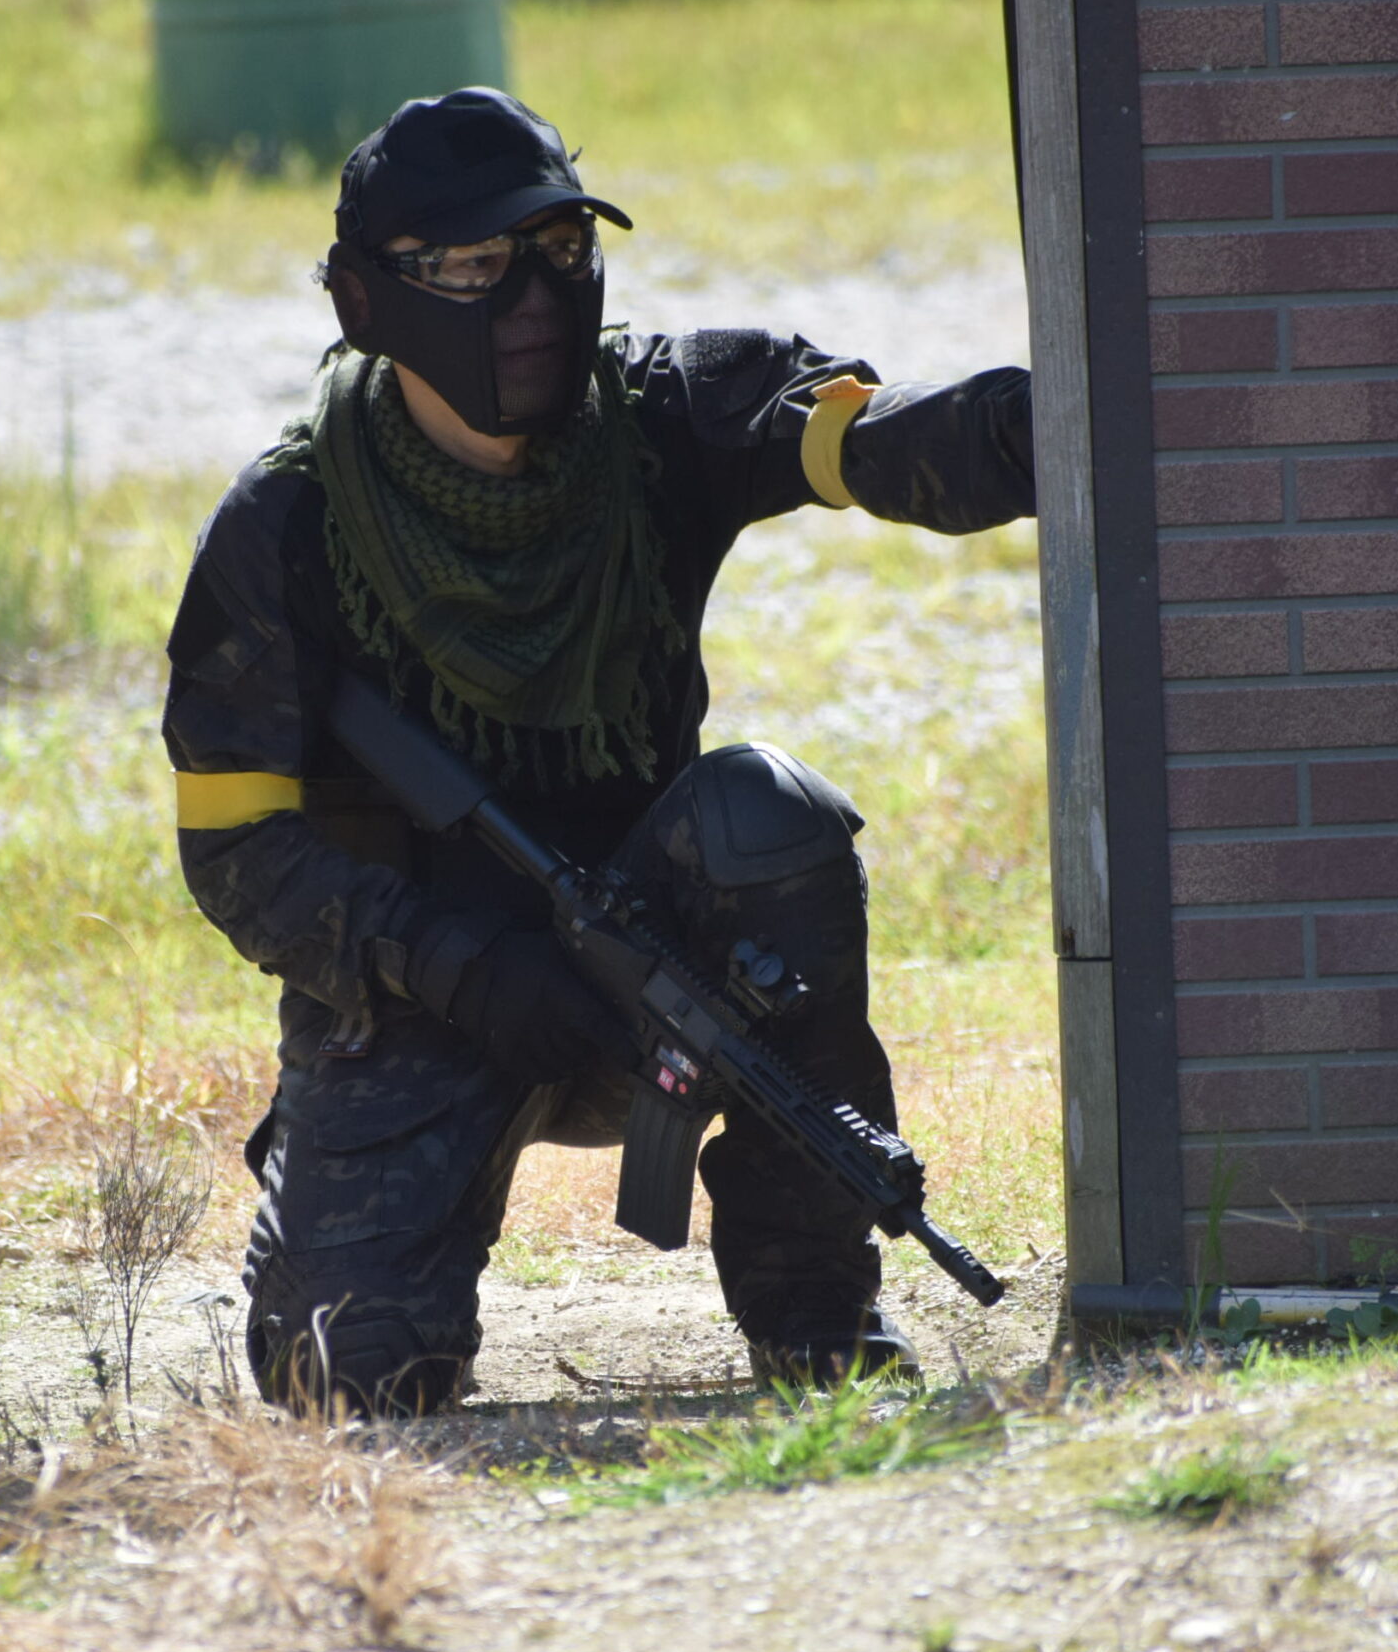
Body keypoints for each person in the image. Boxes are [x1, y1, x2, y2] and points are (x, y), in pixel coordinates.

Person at [163, 87, 1035, 1417]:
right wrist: (456, 961)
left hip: (654, 960)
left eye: (562, 249)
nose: (531, 295)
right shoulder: (286, 527)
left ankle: (816, 1316)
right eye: (474, 264)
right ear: (364, 299)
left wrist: (1060, 423)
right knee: (349, 1379)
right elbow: (238, 852)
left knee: (768, 820)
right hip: (421, 988)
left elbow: (874, 434)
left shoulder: (665, 416)